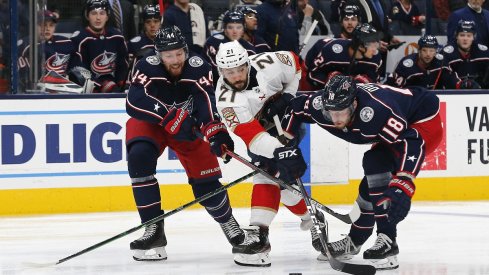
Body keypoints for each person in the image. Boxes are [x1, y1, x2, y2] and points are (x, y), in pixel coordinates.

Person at [275, 75, 443, 270]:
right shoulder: (320, 105)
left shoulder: (377, 112)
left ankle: (387, 241)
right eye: (331, 112)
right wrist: (285, 144)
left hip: (421, 121)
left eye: (341, 112)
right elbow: (296, 108)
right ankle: (355, 241)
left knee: (376, 164)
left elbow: (412, 142)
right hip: (399, 122)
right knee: (374, 174)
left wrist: (404, 182)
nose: (336, 119)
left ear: (354, 104)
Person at [125, 26, 255, 262]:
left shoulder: (199, 66)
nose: (175, 60)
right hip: (153, 122)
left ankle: (229, 224)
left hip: (187, 127)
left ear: (185, 50)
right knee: (139, 156)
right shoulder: (145, 65)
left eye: (178, 54)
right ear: (158, 54)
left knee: (206, 183)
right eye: (168, 55)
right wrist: (168, 116)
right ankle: (153, 229)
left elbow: (205, 102)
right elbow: (133, 101)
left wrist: (216, 133)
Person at [214, 41, 321, 266]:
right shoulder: (226, 100)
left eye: (240, 69)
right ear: (221, 71)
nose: (236, 76)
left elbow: (296, 63)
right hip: (261, 134)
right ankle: (313, 219)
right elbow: (254, 138)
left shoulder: (268, 63)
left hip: (288, 122)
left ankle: (259, 234)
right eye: (229, 72)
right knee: (276, 176)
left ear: (247, 63)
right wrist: (280, 151)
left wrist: (288, 97)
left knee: (267, 172)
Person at [70, 0, 129, 93]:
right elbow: (80, 72)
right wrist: (103, 86)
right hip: (90, 93)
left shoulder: (117, 37)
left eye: (102, 13)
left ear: (107, 16)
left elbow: (123, 67)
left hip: (115, 90)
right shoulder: (79, 39)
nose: (98, 18)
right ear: (87, 15)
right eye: (94, 13)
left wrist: (123, 84)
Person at [306, 23, 383, 89]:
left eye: (376, 44)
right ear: (360, 46)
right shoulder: (331, 53)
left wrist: (364, 84)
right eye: (372, 45)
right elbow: (311, 75)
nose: (375, 49)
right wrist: (330, 82)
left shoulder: (375, 59)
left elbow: (376, 84)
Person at [18, 9, 75, 89]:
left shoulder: (66, 42)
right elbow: (22, 77)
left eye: (51, 25)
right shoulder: (25, 45)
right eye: (43, 25)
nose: (47, 28)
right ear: (35, 26)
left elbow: (75, 66)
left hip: (64, 90)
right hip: (37, 92)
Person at [203, 10, 257, 86]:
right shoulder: (213, 42)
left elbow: (253, 72)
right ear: (224, 29)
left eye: (238, 27)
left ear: (243, 29)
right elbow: (211, 69)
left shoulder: (249, 48)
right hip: (216, 85)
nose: (234, 31)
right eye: (230, 27)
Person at [387, 35, 460, 89]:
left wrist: (461, 84)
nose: (428, 54)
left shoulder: (442, 63)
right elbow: (391, 87)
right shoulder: (406, 65)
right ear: (419, 51)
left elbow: (452, 82)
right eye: (424, 50)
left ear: (436, 52)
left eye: (431, 51)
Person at [442, 20, 489, 89]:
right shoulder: (446, 53)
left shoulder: (484, 52)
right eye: (462, 35)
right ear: (456, 36)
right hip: (454, 94)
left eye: (469, 36)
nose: (465, 39)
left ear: (474, 37)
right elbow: (445, 78)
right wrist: (460, 84)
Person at [127, 5, 161, 75]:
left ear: (161, 23)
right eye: (148, 22)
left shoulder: (168, 42)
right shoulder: (134, 44)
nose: (152, 25)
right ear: (144, 24)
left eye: (156, 21)